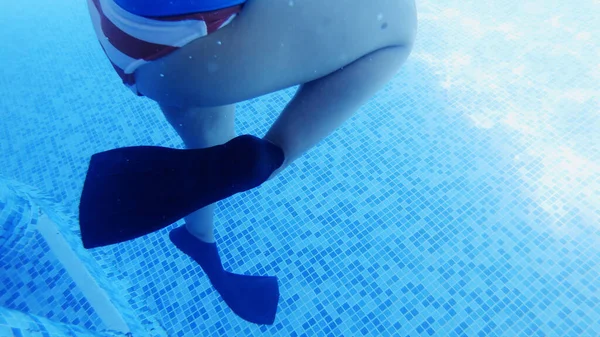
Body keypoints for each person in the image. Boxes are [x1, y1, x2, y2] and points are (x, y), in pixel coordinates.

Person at [81, 0, 417, 325]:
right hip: (189, 48)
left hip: (120, 26)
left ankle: (199, 237)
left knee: (208, 140)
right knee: (398, 25)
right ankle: (267, 158)